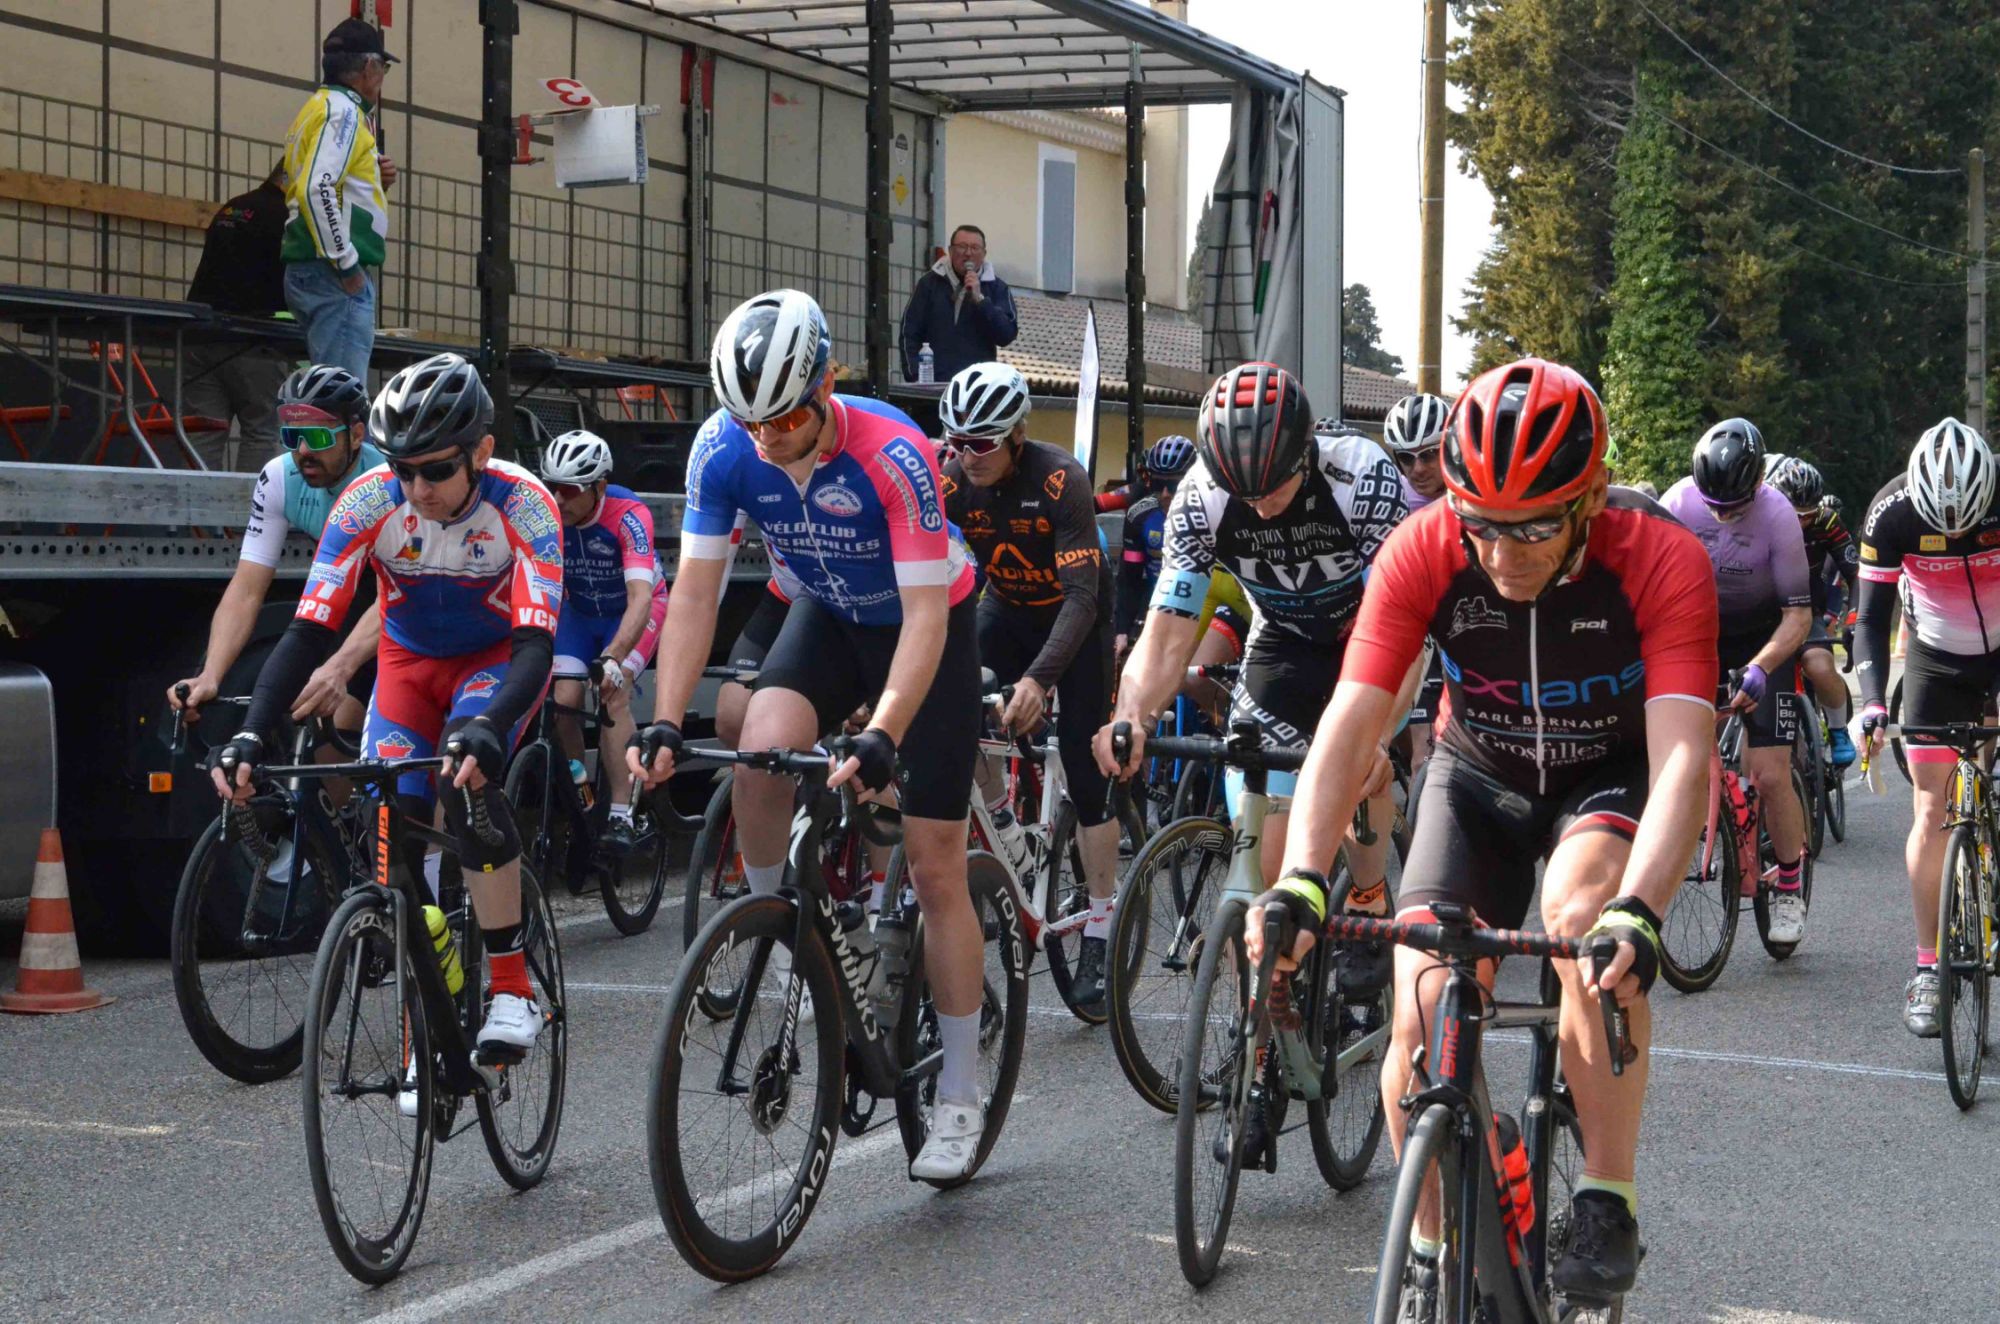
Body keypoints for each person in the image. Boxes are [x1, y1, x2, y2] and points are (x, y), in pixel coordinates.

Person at [1244, 357, 1717, 1310]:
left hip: (1607, 774)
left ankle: (1606, 1195)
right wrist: (1300, 877)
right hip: (1480, 775)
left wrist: (1641, 909)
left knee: (1584, 920)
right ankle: (1430, 1247)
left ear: (1589, 499)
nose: (1504, 555)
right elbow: (1351, 721)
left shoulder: (1660, 556)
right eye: (1484, 525)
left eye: (1535, 527)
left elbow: (1681, 759)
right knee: (1419, 1016)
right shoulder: (1423, 547)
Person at [629, 289, 989, 1181]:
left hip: (924, 624)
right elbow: (696, 594)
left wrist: (885, 732)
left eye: (786, 419)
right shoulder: (722, 449)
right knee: (759, 751)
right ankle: (781, 933)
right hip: (829, 614)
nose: (768, 439)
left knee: (936, 866)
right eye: (750, 421)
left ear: (826, 385)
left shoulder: (893, 452)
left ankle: (961, 1091)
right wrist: (664, 718)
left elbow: (924, 617)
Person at [210, 352, 561, 1062]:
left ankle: (512, 987)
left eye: (436, 470)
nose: (418, 489)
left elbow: (534, 646)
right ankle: (430, 981)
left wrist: (491, 728)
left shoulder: (524, 504)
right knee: (390, 820)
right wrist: (249, 732)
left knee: (465, 782)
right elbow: (309, 630)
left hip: (493, 661)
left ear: (482, 453)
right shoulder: (369, 501)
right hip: (407, 664)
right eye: (404, 470)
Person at [1095, 362, 1408, 914]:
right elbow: (1167, 632)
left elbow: (1402, 625)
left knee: (1360, 764)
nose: (1260, 505)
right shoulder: (1200, 497)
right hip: (1281, 640)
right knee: (1266, 857)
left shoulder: (1361, 475)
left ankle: (1369, 895)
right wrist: (1132, 714)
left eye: (1273, 487)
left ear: (1305, 451)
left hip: (1369, 641)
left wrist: (1377, 738)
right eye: (1243, 493)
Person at [936, 362, 1119, 1010]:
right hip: (1007, 608)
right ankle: (1005, 827)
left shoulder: (1060, 478)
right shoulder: (950, 480)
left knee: (1085, 764)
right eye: (957, 441)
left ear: (1016, 434)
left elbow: (1081, 598)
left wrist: (1041, 680)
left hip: (1077, 615)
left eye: (981, 442)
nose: (967, 455)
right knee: (954, 720)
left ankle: (1101, 923)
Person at [1855, 418, 2000, 1037]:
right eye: (1945, 526)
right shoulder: (1891, 512)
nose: (1957, 535)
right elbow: (1869, 620)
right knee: (1930, 809)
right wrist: (1871, 704)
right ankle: (1927, 967)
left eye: (1968, 525)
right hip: (1936, 658)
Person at [1661, 419, 1813, 945]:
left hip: (1766, 640)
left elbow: (1798, 615)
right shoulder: (1678, 503)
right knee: (1674, 761)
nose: (1722, 516)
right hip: (1700, 634)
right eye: (1714, 506)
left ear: (1758, 485)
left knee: (1769, 774)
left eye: (1734, 508)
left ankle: (1789, 883)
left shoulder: (1779, 516)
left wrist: (1762, 666)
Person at [168, 365, 385, 731]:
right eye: (292, 436)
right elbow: (247, 588)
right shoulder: (280, 477)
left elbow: (397, 596)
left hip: (408, 597)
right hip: (350, 592)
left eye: (318, 437)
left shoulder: (388, 479)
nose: (303, 451)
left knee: (357, 721)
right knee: (322, 730)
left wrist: (340, 666)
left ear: (357, 435)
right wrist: (210, 675)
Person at [539, 430, 667, 848]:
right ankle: (582, 797)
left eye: (570, 490)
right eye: (552, 486)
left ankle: (622, 814)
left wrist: (614, 656)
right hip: (580, 613)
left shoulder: (628, 515)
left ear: (599, 487)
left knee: (613, 692)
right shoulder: (548, 514)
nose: (558, 499)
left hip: (631, 611)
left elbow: (641, 598)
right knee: (564, 701)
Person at [281, 17, 398, 384]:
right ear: (369, 67)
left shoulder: (317, 108)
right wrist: (346, 264)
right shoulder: (344, 114)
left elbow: (317, 183)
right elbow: (318, 187)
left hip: (310, 266)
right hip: (333, 273)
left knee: (325, 392)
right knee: (341, 399)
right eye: (384, 68)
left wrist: (374, 182)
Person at [183, 163, 292, 470]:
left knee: (203, 431)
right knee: (261, 430)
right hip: (254, 339)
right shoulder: (287, 217)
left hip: (200, 335)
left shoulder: (233, 208)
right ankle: (252, 503)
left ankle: (197, 502)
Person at [1768, 455, 1858, 767]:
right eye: (1796, 515)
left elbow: (1856, 575)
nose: (1803, 522)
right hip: (1762, 612)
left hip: (1807, 609)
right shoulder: (1760, 517)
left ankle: (1838, 731)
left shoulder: (1828, 521)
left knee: (1819, 666)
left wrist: (1853, 620)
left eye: (1809, 515)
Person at [1381, 393, 1452, 775]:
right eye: (1406, 458)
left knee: (1426, 750)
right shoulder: (1391, 496)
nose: (1418, 468)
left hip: (1460, 623)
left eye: (1428, 454)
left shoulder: (1472, 492)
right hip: (1416, 625)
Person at [899, 225, 1018, 384]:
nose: (968, 253)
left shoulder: (997, 288)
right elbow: (909, 332)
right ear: (950, 251)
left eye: (975, 248)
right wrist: (915, 376)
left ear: (984, 254)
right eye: (962, 246)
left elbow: (1007, 335)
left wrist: (981, 300)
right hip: (933, 387)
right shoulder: (929, 284)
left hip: (976, 387)